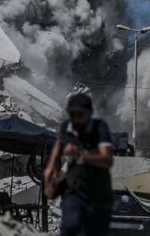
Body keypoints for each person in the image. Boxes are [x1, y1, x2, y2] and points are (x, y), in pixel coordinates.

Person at [44, 93, 114, 236]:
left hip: (99, 195)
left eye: (80, 114)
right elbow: (59, 143)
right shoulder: (66, 127)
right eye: (72, 114)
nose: (76, 118)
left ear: (90, 113)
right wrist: (50, 168)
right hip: (74, 190)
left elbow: (107, 160)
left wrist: (81, 156)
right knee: (70, 226)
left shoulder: (100, 128)